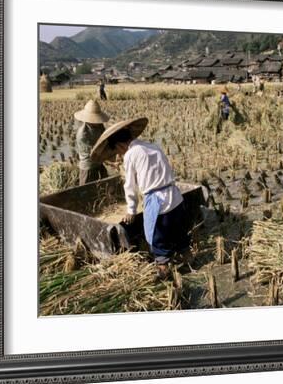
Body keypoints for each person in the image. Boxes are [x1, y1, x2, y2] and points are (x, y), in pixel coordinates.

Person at [91, 118, 193, 279]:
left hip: (158, 202)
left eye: (118, 151)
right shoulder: (152, 146)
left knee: (156, 236)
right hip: (175, 196)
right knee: (178, 230)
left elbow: (130, 185)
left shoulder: (131, 154)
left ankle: (163, 269)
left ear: (120, 146)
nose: (119, 154)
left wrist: (131, 210)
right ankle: (187, 257)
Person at [73, 99, 110, 186]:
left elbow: (105, 139)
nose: (99, 122)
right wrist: (110, 161)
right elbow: (93, 154)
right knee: (86, 191)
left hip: (99, 162)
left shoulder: (100, 126)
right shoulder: (82, 134)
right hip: (88, 165)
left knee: (106, 186)